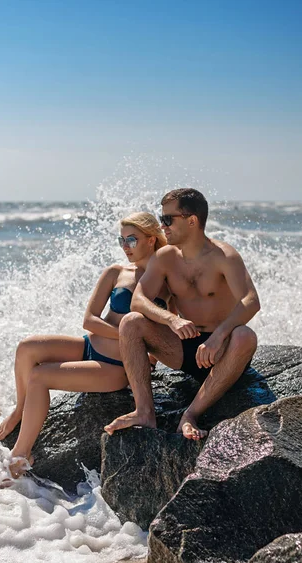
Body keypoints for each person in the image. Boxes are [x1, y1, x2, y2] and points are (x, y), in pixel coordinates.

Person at [0, 212, 170, 478]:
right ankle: (20, 409)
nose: (125, 246)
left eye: (131, 240)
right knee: (26, 347)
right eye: (121, 240)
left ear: (151, 239)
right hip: (89, 345)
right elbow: (89, 321)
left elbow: (171, 325)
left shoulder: (167, 281)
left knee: (40, 376)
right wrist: (126, 334)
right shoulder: (116, 272)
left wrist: (146, 351)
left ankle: (20, 457)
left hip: (116, 367)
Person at [104, 188, 260, 441]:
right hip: (184, 349)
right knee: (132, 322)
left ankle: (190, 415)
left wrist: (218, 336)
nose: (161, 225)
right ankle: (144, 412)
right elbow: (138, 301)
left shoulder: (224, 255)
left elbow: (251, 301)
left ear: (191, 220)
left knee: (245, 335)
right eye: (161, 218)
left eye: (167, 219)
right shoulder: (165, 257)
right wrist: (171, 319)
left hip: (221, 353)